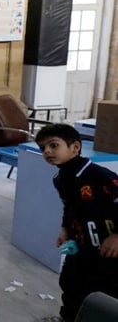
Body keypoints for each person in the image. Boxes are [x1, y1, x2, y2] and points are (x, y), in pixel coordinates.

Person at [35, 123, 118, 321]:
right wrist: (65, 229)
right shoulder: (60, 178)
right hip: (82, 248)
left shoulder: (100, 176)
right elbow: (69, 206)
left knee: (106, 293)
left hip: (109, 252)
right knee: (71, 283)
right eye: (43, 148)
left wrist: (117, 236)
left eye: (54, 145)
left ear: (75, 147)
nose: (47, 151)